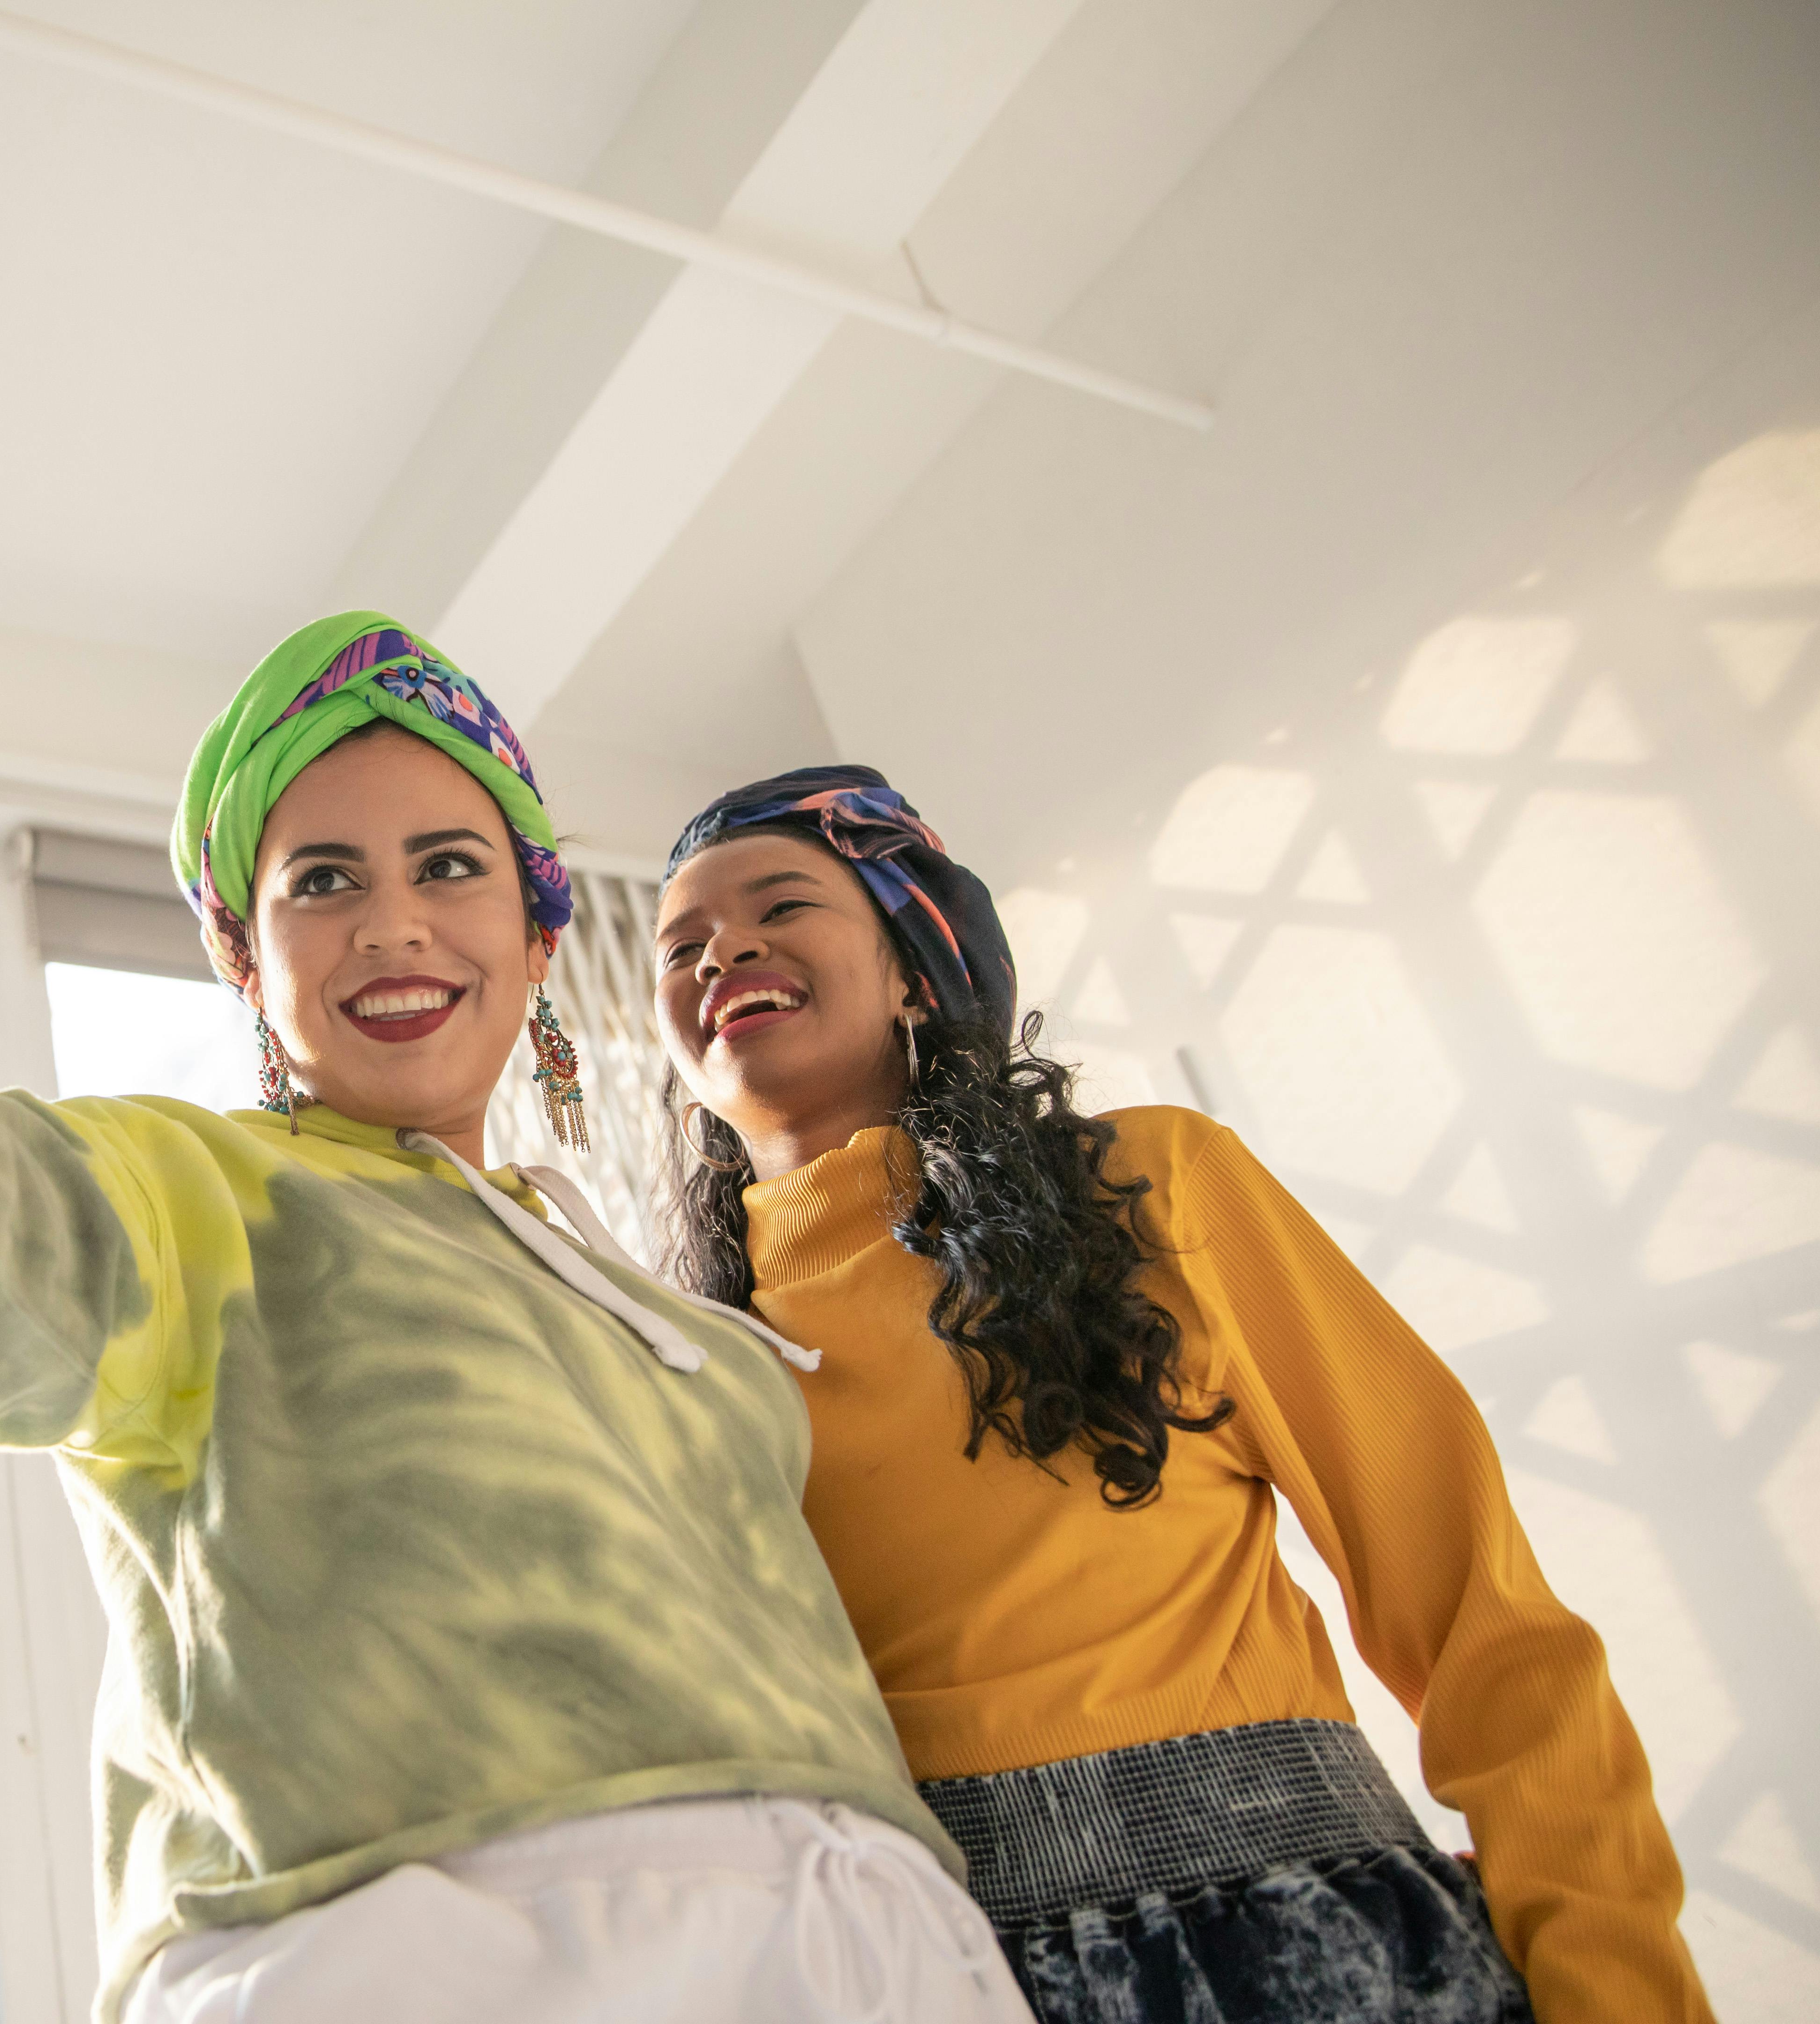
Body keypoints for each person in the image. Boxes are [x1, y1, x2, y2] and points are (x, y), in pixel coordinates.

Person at [0, 246, 1033, 2023]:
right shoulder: (200, 1207)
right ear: (252, 965)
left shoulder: (665, 1306)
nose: (393, 923)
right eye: (321, 882)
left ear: (539, 932)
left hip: (880, 1950)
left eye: (450, 866)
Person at [647, 766, 1715, 2024]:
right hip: (942, 1982)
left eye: (782, 905)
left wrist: (1619, 1991)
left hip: (1317, 1953)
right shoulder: (680, 1364)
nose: (726, 952)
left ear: (914, 973)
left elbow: (1484, 1622)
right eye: (681, 946)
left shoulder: (1149, 1191)